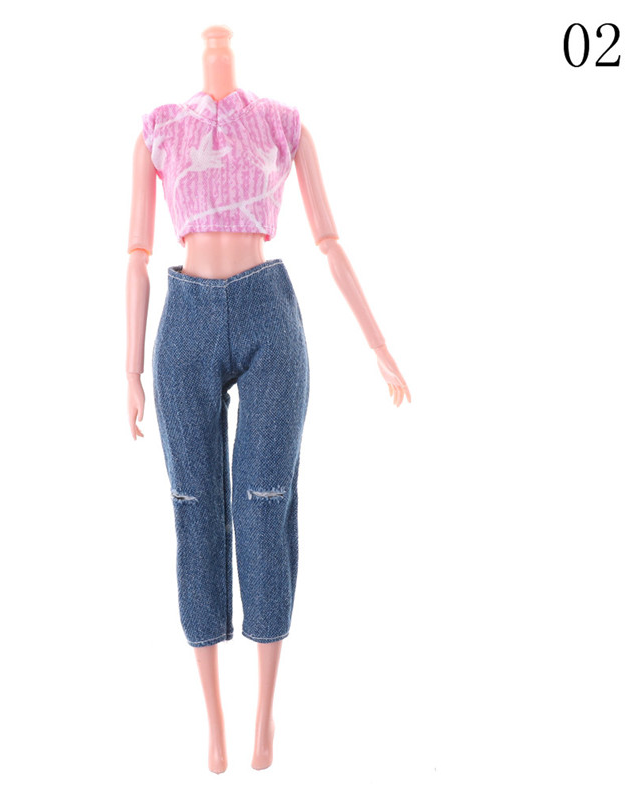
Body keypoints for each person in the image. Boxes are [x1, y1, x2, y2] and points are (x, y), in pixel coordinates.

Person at [125, 24, 411, 774]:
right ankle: (214, 723)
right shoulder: (159, 129)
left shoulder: (284, 124)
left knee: (264, 502)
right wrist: (129, 370)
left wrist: (378, 344)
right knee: (194, 508)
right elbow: (136, 255)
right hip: (184, 321)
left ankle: (264, 716)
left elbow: (329, 240)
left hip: (267, 314)